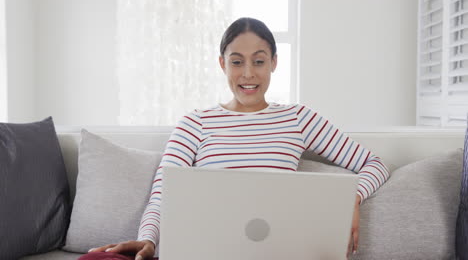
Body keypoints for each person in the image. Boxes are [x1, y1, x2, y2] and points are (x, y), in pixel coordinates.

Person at [82, 17, 390, 260]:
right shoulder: (195, 122)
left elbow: (374, 163)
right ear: (222, 64)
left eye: (258, 61)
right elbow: (164, 192)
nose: (248, 74)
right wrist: (148, 239)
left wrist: (352, 198)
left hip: (280, 252)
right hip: (207, 252)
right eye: (237, 61)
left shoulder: (298, 118)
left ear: (274, 63)